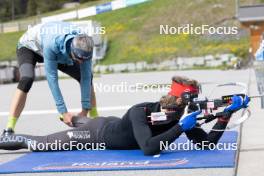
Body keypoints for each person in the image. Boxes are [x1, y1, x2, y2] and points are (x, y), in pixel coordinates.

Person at [0, 76, 249, 155]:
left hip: (112, 123)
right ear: (175, 101)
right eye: (187, 102)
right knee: (39, 144)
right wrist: (181, 128)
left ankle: (73, 118)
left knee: (83, 120)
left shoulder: (180, 115)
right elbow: (149, 149)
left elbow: (206, 143)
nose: (190, 108)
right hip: (96, 134)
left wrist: (225, 115)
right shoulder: (141, 111)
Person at [3, 21, 99, 135]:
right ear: (72, 51)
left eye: (84, 60)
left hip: (59, 50)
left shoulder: (86, 47)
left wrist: (85, 110)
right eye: (79, 59)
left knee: (88, 76)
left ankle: (95, 119)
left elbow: (86, 78)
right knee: (27, 78)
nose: (82, 62)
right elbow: (52, 79)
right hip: (30, 47)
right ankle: (9, 128)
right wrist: (63, 112)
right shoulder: (51, 44)